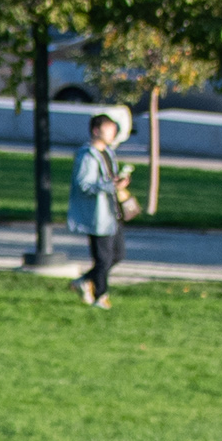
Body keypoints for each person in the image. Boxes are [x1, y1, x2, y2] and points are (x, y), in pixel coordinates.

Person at [70, 113, 134, 305]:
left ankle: (83, 281)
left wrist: (118, 182)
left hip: (112, 212)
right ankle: (101, 297)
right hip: (98, 215)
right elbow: (84, 184)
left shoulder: (107, 152)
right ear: (96, 131)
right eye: (109, 130)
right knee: (103, 259)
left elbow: (106, 179)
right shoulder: (87, 155)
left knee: (117, 255)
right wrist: (110, 186)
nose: (113, 134)